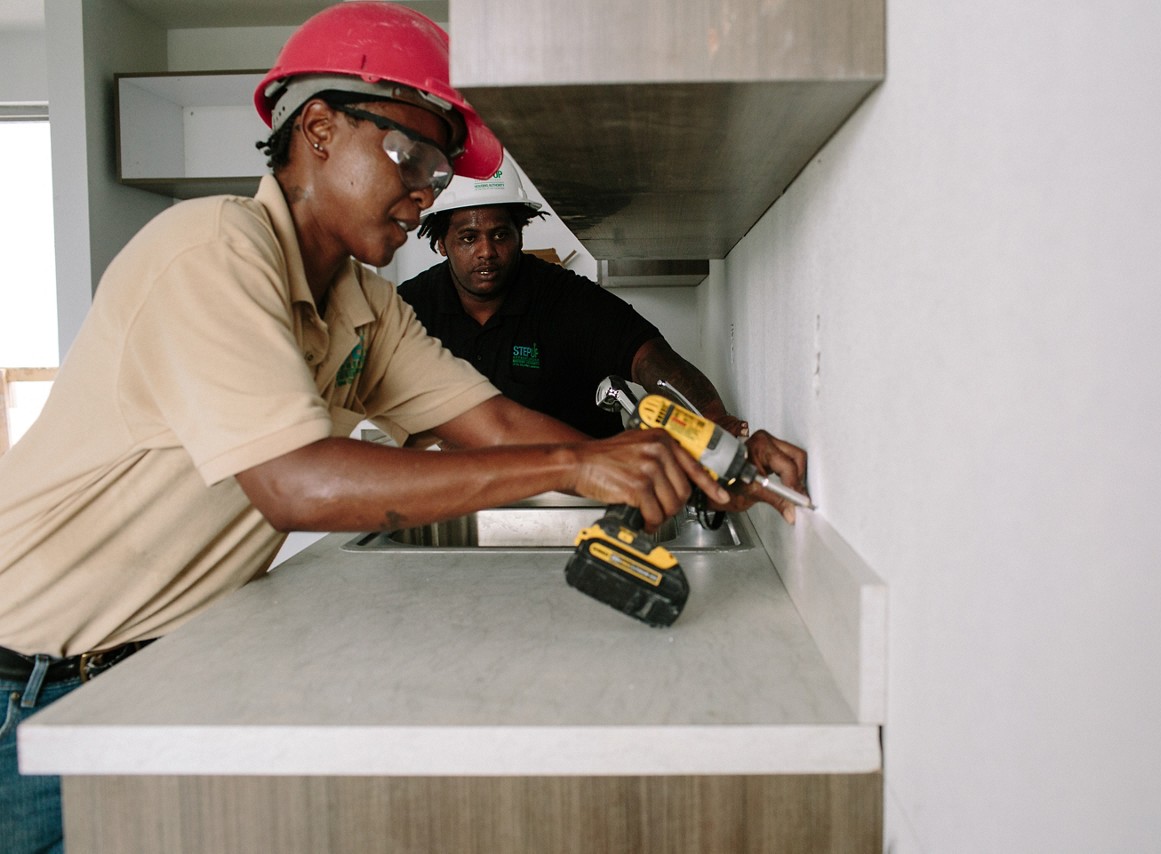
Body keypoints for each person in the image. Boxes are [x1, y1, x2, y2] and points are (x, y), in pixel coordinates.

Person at [0, 5, 807, 851]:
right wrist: (579, 459)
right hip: (29, 683)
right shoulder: (211, 251)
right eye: (412, 155)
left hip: (151, 671)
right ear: (317, 128)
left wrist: (709, 449)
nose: (425, 190)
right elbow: (295, 484)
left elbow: (491, 421)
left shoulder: (362, 305)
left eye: (439, 173)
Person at [398, 159, 752, 440]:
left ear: (520, 235)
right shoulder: (411, 307)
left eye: (500, 235)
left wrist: (711, 418)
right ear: (441, 244)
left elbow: (646, 357)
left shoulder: (562, 297)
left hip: (582, 495)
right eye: (468, 238)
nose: (486, 251)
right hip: (476, 498)